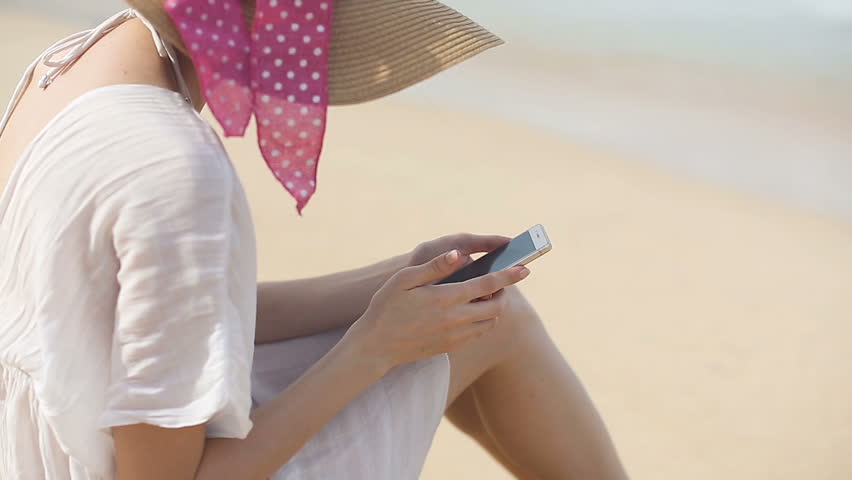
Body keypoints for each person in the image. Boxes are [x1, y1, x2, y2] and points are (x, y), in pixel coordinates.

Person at [0, 1, 628, 479]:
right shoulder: (177, 170)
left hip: (54, 436)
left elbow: (161, 321)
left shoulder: (74, 65)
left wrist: (390, 282)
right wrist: (373, 349)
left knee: (474, 312)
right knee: (497, 320)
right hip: (92, 459)